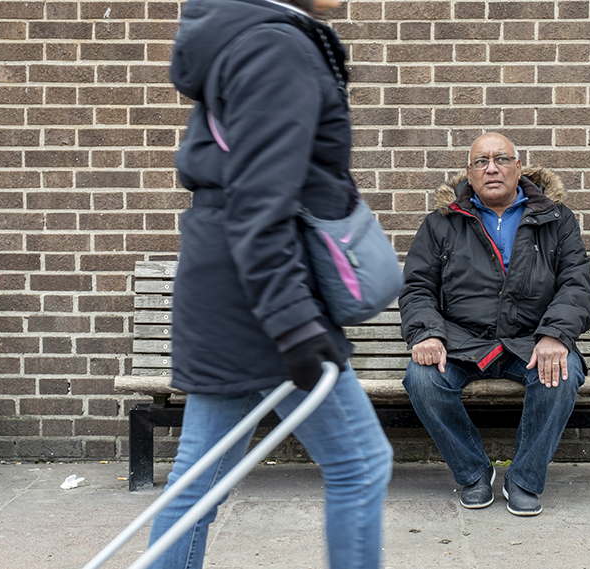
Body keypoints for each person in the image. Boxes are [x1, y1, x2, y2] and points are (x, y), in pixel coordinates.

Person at [149, 0, 393, 567]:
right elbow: (260, 203)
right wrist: (293, 323)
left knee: (196, 483)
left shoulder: (245, 37)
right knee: (361, 463)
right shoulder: (275, 47)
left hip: (225, 289)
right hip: (259, 302)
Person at [399, 132, 590, 517]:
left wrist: (555, 335)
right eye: (481, 161)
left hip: (530, 341)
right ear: (470, 173)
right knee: (421, 379)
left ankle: (524, 479)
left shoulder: (555, 219)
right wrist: (426, 333)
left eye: (502, 159)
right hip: (462, 342)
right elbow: (418, 286)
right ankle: (474, 472)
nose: (491, 168)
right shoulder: (441, 223)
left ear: (519, 168)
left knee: (562, 372)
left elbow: (578, 284)